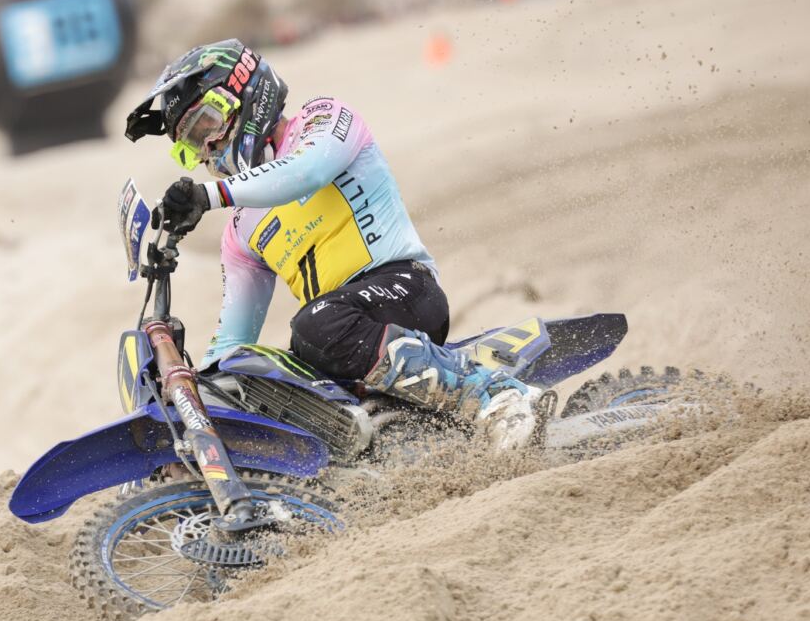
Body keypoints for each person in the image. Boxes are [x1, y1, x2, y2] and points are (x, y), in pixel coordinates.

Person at [125, 39, 539, 449]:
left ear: (244, 91)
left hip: (406, 290)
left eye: (205, 126)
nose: (206, 150)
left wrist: (208, 196)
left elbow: (306, 172)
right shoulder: (240, 231)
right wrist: (200, 394)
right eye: (189, 147)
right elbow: (233, 343)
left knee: (314, 324)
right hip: (339, 338)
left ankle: (492, 392)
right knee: (258, 373)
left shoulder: (322, 119)